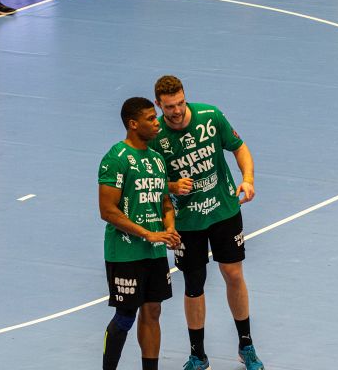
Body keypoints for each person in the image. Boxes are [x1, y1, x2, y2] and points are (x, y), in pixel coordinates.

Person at [149, 75, 265, 370]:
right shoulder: (156, 137)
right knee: (193, 283)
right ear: (158, 105)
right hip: (187, 222)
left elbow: (239, 147)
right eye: (169, 106)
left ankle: (246, 346)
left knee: (233, 274)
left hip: (223, 210)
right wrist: (173, 187)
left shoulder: (210, 117)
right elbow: (151, 183)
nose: (177, 111)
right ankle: (198, 355)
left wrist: (248, 179)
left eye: (180, 103)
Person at [98, 97, 181, 370]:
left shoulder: (157, 159)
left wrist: (169, 228)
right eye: (150, 119)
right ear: (133, 124)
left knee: (153, 311)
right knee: (125, 316)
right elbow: (107, 211)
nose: (157, 123)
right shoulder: (116, 158)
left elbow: (165, 202)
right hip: (125, 252)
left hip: (154, 251)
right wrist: (148, 234)